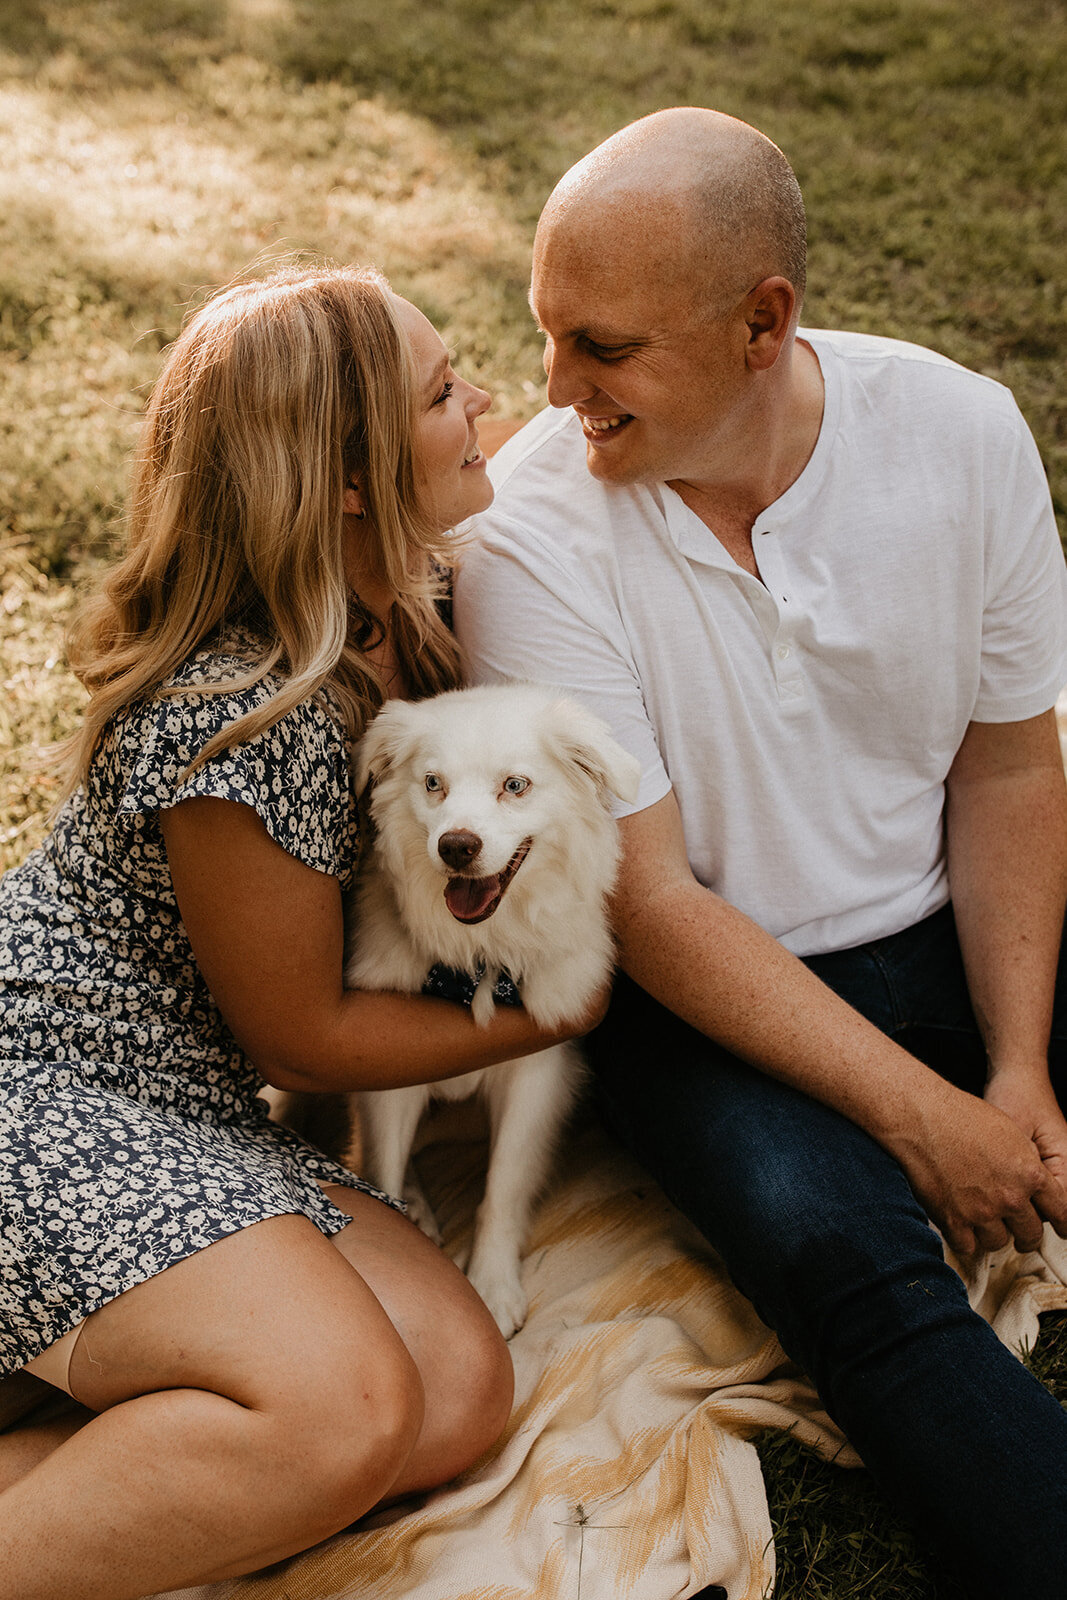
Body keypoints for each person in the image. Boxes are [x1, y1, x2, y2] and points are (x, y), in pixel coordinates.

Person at [454, 107, 1067, 1595]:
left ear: (761, 322)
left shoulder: (960, 430)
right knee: (847, 1268)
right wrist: (930, 1122)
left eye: (601, 348)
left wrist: (1020, 1067)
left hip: (952, 911)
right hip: (710, 993)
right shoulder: (526, 538)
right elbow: (649, 901)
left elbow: (1008, 768)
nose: (554, 391)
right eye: (547, 337)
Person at [0, 263, 602, 1600]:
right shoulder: (244, 720)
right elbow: (305, 1037)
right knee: (341, 1408)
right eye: (445, 393)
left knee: (453, 1394)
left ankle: (116, 1440)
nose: (485, 402)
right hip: (44, 1089)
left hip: (195, 1109)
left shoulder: (407, 605)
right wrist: (561, 1004)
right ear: (343, 478)